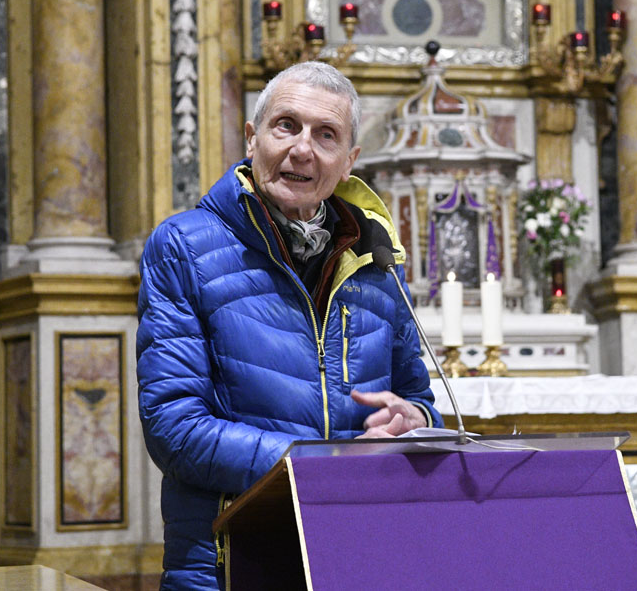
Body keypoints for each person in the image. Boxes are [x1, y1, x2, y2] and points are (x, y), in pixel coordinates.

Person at [136, 61, 441, 589]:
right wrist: (318, 467)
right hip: (231, 560)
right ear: (252, 139)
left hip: (358, 553)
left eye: (326, 135)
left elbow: (420, 403)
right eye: (287, 126)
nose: (303, 149)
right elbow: (174, 428)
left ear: (348, 162)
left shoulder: (377, 261)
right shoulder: (183, 247)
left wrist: (414, 421)